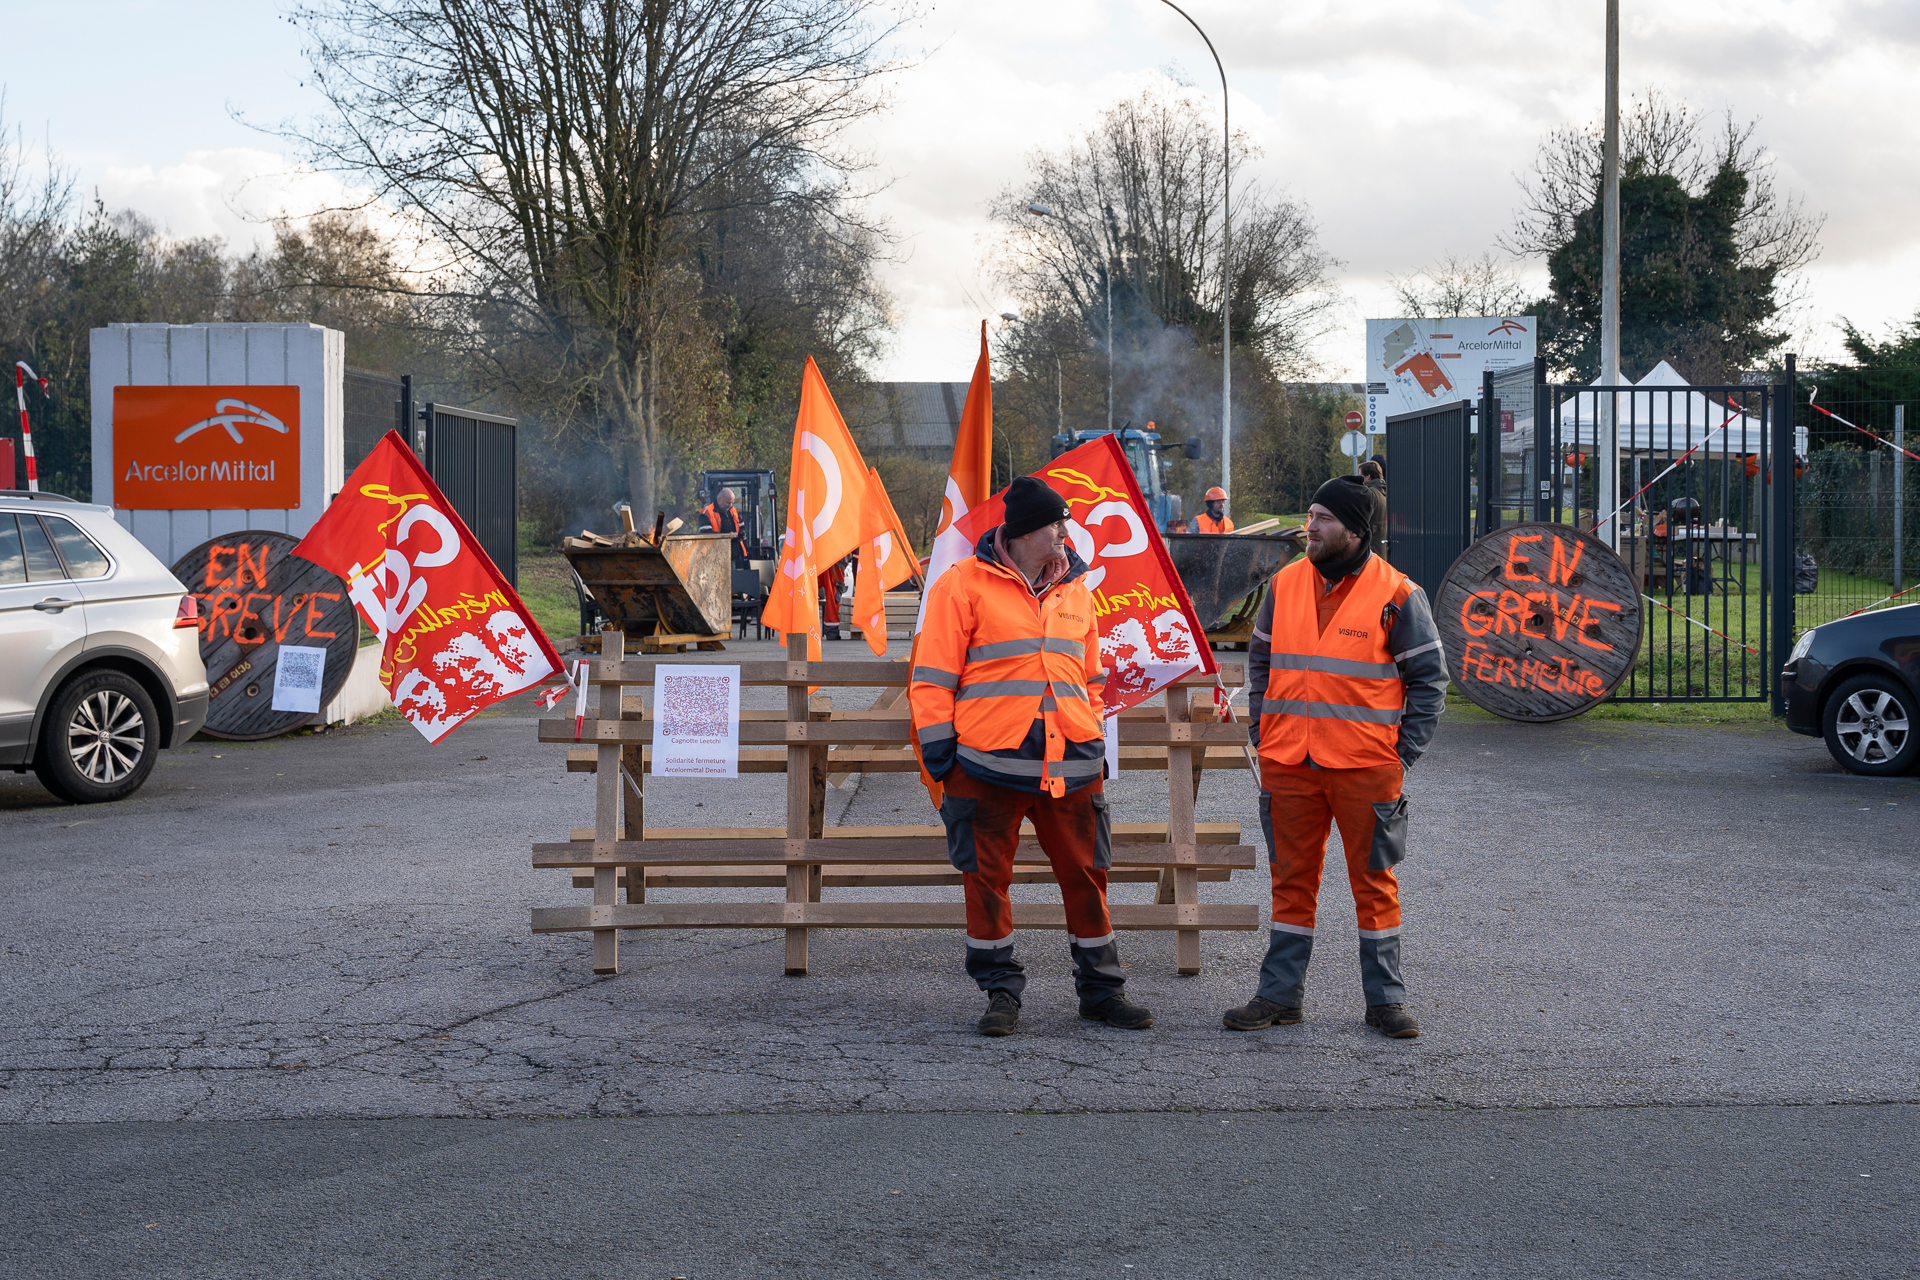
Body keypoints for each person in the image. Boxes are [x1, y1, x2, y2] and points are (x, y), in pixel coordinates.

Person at [910, 475, 1152, 1038]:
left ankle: (1102, 992)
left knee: (1088, 875)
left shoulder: (1076, 589)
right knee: (986, 881)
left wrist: (1090, 734)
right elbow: (931, 679)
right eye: (1055, 525)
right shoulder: (961, 584)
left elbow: (1091, 677)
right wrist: (942, 754)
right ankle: (1000, 993)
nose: (1066, 534)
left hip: (1072, 762)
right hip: (985, 763)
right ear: (1022, 534)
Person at [1223, 474, 1449, 1040]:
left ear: (1355, 528)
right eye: (1310, 514)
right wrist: (1262, 726)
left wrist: (1403, 754)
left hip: (1366, 767)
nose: (1310, 527)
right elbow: (1260, 661)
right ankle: (1279, 997)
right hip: (1288, 761)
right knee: (1290, 881)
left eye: (1323, 518)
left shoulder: (1398, 594)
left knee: (1374, 882)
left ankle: (1385, 1002)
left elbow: (1429, 679)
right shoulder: (1286, 584)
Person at [699, 487, 750, 566]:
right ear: (719, 499)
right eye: (727, 502)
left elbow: (743, 528)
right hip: (715, 558)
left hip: (734, 557)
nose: (730, 505)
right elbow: (705, 534)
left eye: (731, 503)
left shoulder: (733, 511)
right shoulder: (707, 512)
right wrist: (727, 536)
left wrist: (743, 535)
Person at [1359, 459, 1388, 559]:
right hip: (1382, 545)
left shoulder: (1368, 493)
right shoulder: (1384, 492)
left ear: (1368, 477)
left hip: (1371, 547)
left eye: (1360, 475)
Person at [818, 555, 847, 641]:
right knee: (833, 598)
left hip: (817, 557)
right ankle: (832, 632)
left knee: (807, 591)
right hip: (835, 560)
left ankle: (799, 628)